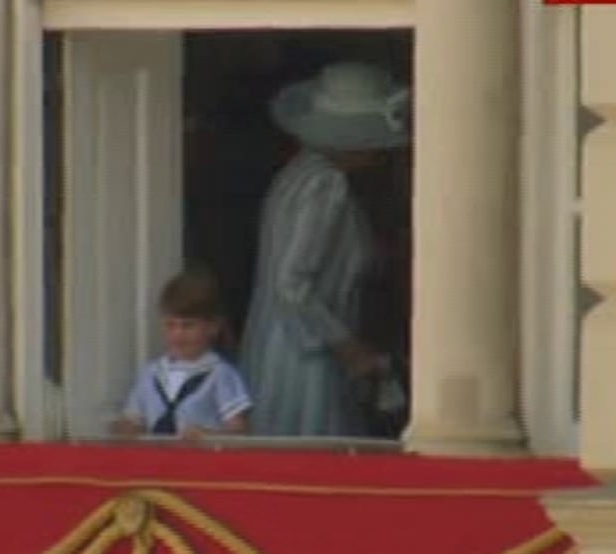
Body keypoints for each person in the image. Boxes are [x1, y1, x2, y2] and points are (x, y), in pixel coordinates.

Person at [238, 62, 410, 437]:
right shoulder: (324, 184)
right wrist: (347, 346)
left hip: (285, 342)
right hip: (305, 352)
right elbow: (291, 282)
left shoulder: (300, 172)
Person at [111, 268, 253, 440]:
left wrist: (209, 436)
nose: (178, 334)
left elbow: (240, 433)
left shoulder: (220, 374)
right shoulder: (151, 373)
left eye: (188, 326)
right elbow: (133, 419)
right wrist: (124, 428)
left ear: (212, 327)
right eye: (170, 325)